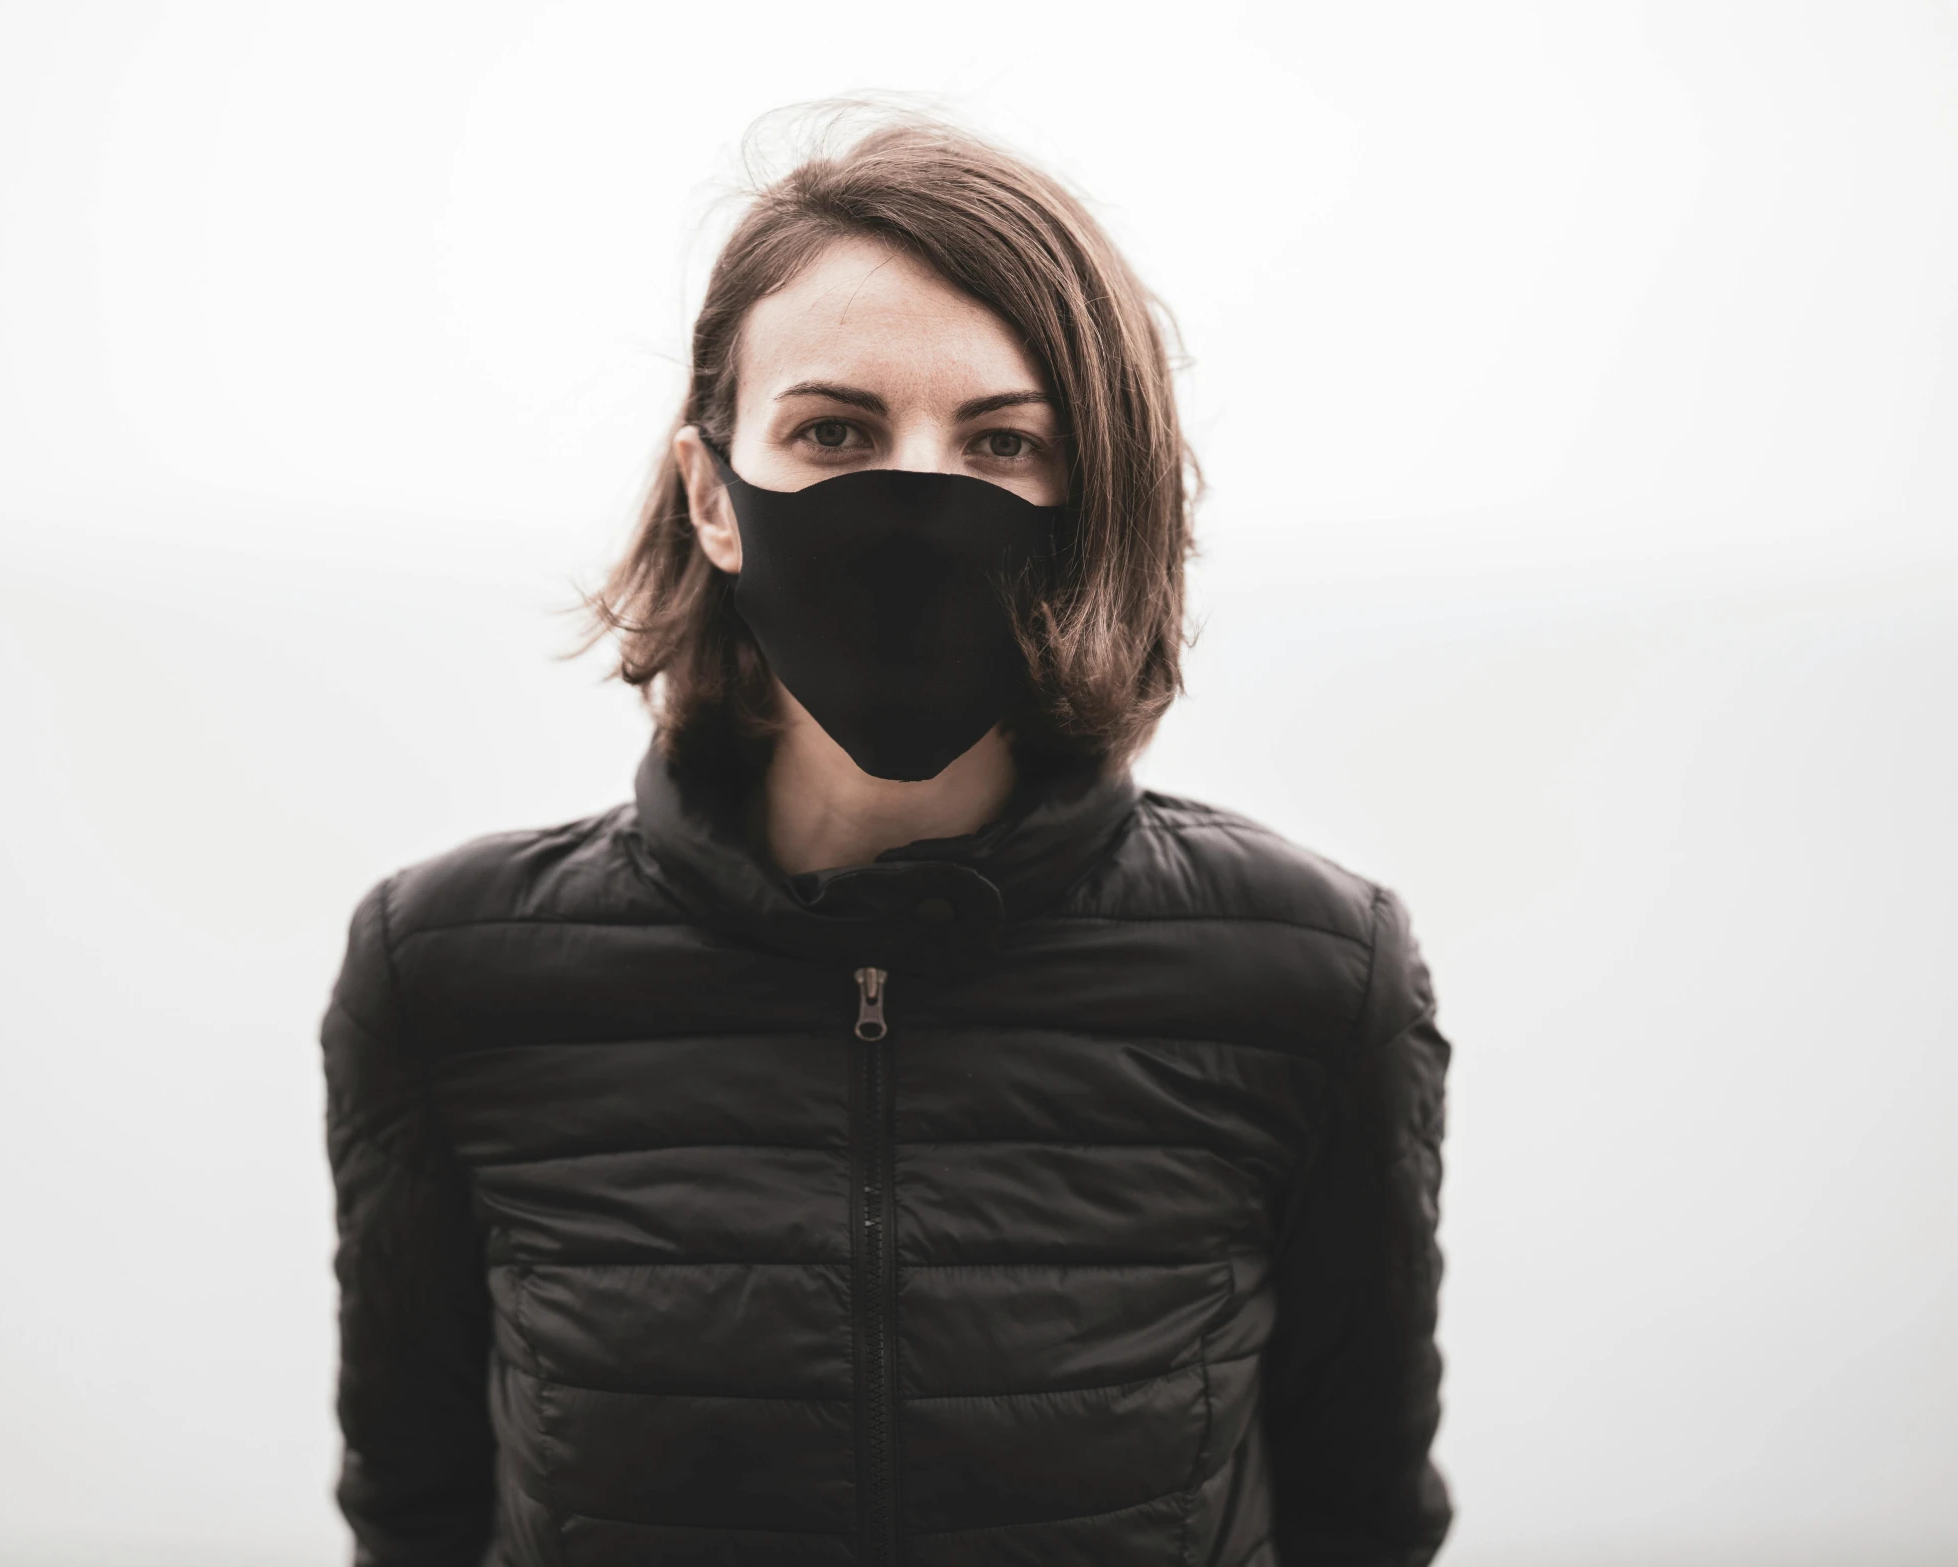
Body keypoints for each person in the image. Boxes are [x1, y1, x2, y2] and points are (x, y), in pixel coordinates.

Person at [320, 112, 1452, 1567]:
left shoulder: (1310, 977)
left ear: (1089, 496)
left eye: (1003, 441)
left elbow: (1363, 1526)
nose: (917, 497)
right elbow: (413, 1523)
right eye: (833, 431)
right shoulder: (448, 975)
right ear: (711, 496)